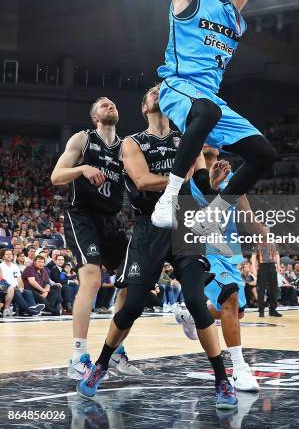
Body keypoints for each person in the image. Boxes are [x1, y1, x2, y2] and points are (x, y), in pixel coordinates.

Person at [77, 86, 238, 410]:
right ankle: (101, 365)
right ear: (143, 107)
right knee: (132, 305)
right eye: (152, 92)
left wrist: (214, 183)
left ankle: (222, 379)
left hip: (185, 225)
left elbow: (201, 185)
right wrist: (182, 178)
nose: (157, 93)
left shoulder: (186, 140)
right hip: (149, 226)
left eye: (160, 91)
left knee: (194, 300)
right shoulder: (133, 142)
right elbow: (142, 181)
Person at [151, 0, 277, 231]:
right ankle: (170, 196)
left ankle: (214, 214)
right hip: (177, 87)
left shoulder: (230, 8)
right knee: (204, 111)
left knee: (264, 155)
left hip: (210, 97)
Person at [50, 97, 138, 379]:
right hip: (82, 215)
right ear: (95, 117)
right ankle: (78, 356)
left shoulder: (126, 148)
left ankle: (115, 350)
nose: (110, 105)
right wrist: (82, 169)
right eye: (103, 105)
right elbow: (56, 176)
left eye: (113, 104)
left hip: (112, 221)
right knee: (91, 278)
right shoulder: (83, 139)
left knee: (132, 281)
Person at [183, 144, 260, 391]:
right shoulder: (188, 174)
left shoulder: (233, 178)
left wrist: (263, 232)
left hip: (230, 253)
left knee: (235, 312)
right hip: (203, 250)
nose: (210, 138)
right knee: (230, 298)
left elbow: (246, 215)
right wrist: (213, 185)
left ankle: (192, 316)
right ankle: (239, 368)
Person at [0, 249, 44, 316]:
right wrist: (13, 287)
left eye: (10, 254)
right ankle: (30, 311)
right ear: (3, 256)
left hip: (16, 287)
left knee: (27, 292)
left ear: (13, 256)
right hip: (7, 287)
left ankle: (33, 306)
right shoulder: (1, 266)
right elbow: (2, 279)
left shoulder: (15, 266)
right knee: (17, 293)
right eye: (7, 254)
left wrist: (21, 287)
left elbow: (19, 279)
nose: (9, 256)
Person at [251, 243, 282, 317]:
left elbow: (277, 254)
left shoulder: (273, 244)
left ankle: (272, 310)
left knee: (274, 289)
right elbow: (253, 256)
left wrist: (278, 265)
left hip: (272, 266)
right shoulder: (257, 245)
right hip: (262, 267)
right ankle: (261, 310)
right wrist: (254, 269)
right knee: (261, 290)